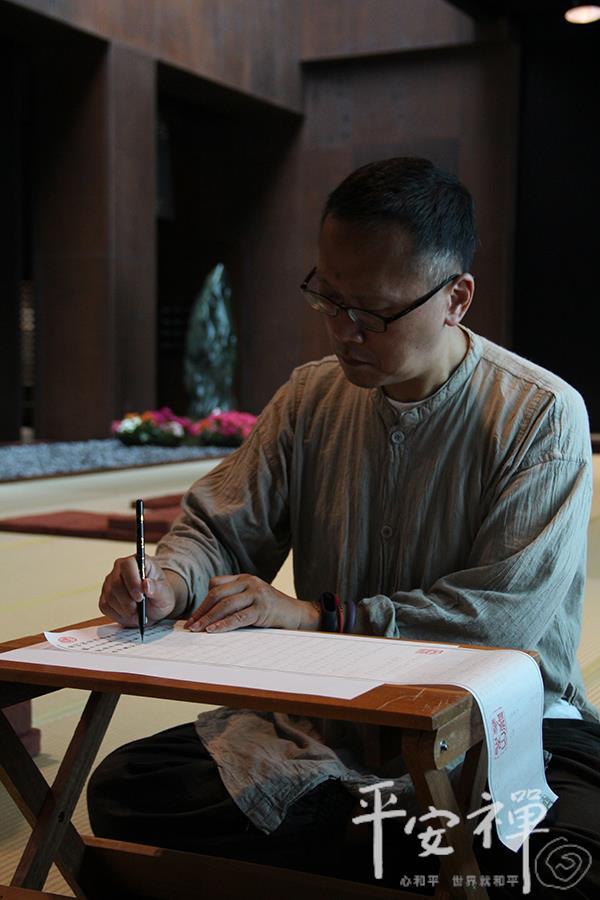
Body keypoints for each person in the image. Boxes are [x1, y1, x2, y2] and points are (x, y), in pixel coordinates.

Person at [88, 158, 599, 896]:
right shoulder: (310, 397)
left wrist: (318, 617)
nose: (343, 331)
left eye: (374, 312)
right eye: (329, 299)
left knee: (573, 861)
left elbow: (499, 618)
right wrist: (168, 581)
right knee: (128, 786)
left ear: (456, 298)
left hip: (502, 724)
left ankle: (385, 838)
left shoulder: (540, 415)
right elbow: (222, 529)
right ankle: (417, 845)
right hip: (331, 722)